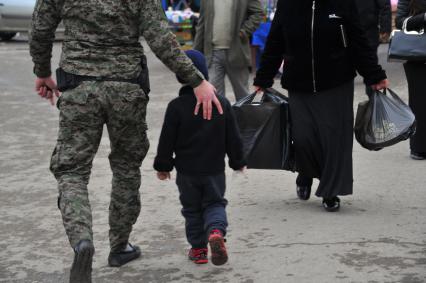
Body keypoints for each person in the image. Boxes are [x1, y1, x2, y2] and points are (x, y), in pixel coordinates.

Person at [29, 0, 222, 282]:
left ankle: (82, 240)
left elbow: (40, 29)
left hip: (78, 86)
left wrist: (42, 71)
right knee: (126, 168)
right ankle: (119, 247)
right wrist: (196, 80)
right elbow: (160, 37)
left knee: (71, 170)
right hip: (127, 89)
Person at [254, 0, 389, 212]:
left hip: (337, 81)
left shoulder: (343, 3)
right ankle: (305, 172)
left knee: (334, 139)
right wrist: (263, 78)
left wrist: (374, 74)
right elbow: (275, 40)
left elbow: (357, 40)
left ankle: (330, 191)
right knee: (303, 137)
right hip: (299, 83)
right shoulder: (288, 4)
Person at [154, 50, 246, 266]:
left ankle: (198, 250)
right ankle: (215, 231)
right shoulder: (221, 103)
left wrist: (163, 166)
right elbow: (233, 137)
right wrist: (238, 161)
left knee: (192, 210)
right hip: (214, 170)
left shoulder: (175, 107)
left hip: (187, 173)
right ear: (204, 73)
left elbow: (166, 139)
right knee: (215, 204)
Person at [194, 0, 263, 101]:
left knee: (243, 97)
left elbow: (258, 13)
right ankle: (220, 117)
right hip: (212, 53)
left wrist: (244, 31)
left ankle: (244, 117)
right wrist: (195, 53)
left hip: (237, 52)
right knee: (214, 97)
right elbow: (202, 23)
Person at [396, 0, 426, 160]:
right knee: (419, 102)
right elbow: (400, 21)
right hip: (417, 57)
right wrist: (423, 18)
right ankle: (419, 147)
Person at [356, 0, 392, 96]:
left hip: (368, 31)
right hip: (347, 28)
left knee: (370, 66)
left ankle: (373, 99)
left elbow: (385, 5)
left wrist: (385, 27)